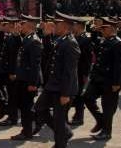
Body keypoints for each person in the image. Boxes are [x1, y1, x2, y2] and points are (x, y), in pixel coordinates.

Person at [35, 11, 81, 148]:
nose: (54, 26)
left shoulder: (71, 43)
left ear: (65, 26)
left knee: (59, 119)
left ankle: (60, 144)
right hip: (52, 86)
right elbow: (49, 54)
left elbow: (69, 71)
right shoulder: (61, 39)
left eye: (57, 24)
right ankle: (65, 132)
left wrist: (65, 93)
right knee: (39, 108)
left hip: (62, 88)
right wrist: (47, 36)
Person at [84, 17, 121, 141]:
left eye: (104, 28)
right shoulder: (104, 40)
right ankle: (100, 120)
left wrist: (117, 82)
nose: (101, 30)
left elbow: (118, 65)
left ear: (110, 29)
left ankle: (106, 132)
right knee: (87, 97)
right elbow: (94, 48)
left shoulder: (117, 43)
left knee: (108, 107)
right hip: (98, 78)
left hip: (110, 81)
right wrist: (94, 32)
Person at [11, 14, 42, 141]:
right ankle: (37, 122)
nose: (20, 26)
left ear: (28, 25)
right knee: (23, 106)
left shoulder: (34, 40)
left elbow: (35, 65)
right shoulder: (27, 38)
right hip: (23, 78)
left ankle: (27, 132)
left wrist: (33, 83)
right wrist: (16, 35)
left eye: (22, 24)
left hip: (28, 80)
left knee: (26, 107)